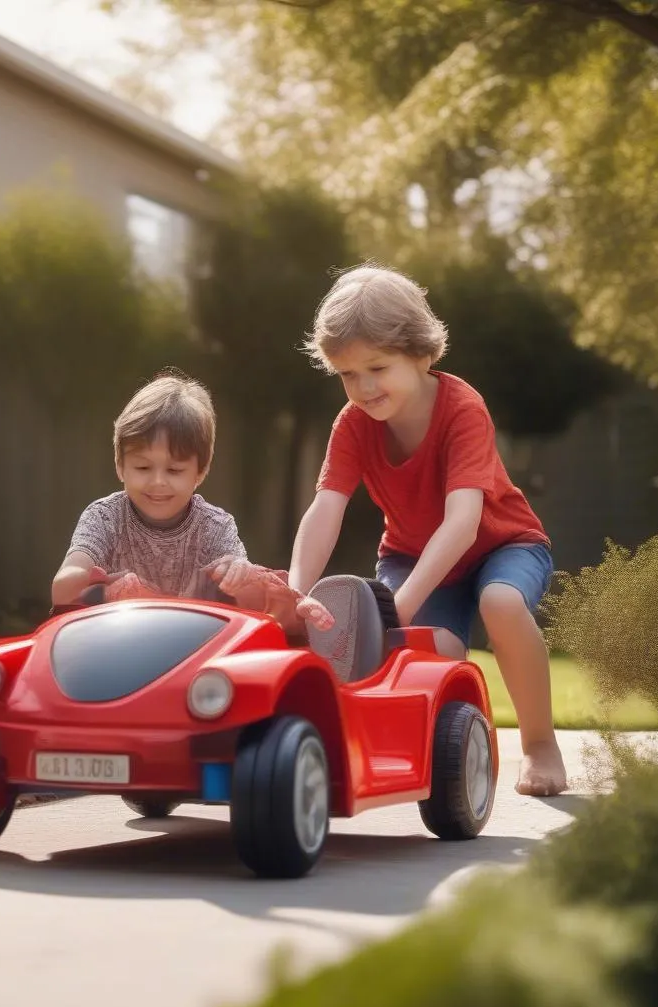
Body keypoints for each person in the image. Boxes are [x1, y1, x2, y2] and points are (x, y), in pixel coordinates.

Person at [287, 263, 567, 797]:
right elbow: (325, 510)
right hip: (413, 556)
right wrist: (295, 588)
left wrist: (400, 604)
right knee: (432, 653)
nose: (364, 388)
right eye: (348, 375)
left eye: (377, 367)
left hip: (502, 545)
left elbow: (463, 524)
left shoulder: (463, 409)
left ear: (421, 353)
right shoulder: (352, 425)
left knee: (501, 604)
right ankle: (438, 759)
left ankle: (539, 744)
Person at [52, 371, 287, 616]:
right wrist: (98, 587)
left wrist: (240, 575)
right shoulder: (105, 518)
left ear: (201, 472)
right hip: (118, 643)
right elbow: (61, 590)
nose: (158, 482)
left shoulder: (215, 527)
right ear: (120, 465)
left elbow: (253, 604)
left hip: (199, 646)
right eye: (143, 467)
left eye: (174, 470)